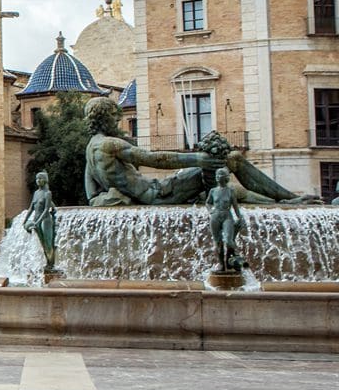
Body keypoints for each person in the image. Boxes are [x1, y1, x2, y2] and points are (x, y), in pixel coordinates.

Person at [83, 97, 300, 205]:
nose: (117, 122)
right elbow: (155, 159)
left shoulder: (91, 148)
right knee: (233, 159)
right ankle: (289, 200)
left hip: (155, 194)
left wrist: (110, 199)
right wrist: (198, 159)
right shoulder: (111, 144)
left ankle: (281, 202)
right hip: (161, 194)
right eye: (114, 117)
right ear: (104, 117)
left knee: (226, 190)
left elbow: (91, 194)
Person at [206, 167, 247, 272]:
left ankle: (235, 255)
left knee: (228, 240)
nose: (218, 176)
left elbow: (235, 206)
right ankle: (222, 265)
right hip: (215, 216)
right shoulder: (213, 191)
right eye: (217, 175)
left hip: (227, 216)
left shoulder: (230, 191)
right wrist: (211, 211)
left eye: (220, 174)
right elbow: (208, 203)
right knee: (218, 242)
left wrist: (239, 217)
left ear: (226, 178)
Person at [23, 170, 58, 272]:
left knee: (48, 242)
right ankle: (48, 263)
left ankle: (51, 265)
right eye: (37, 179)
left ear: (45, 180)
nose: (38, 180)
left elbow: (46, 209)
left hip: (45, 220)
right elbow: (31, 208)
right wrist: (25, 220)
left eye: (40, 178)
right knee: (42, 242)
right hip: (36, 219)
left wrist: (38, 222)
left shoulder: (48, 193)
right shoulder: (36, 193)